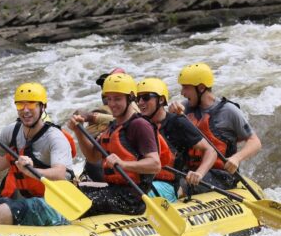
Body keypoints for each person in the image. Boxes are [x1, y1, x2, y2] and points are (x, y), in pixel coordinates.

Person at [0, 82, 73, 226]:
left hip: (54, 204)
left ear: (42, 107)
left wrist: (31, 171)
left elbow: (59, 174)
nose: (25, 110)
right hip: (26, 200)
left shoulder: (54, 137)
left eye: (31, 105)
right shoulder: (12, 131)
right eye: (20, 105)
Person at [68, 73, 161, 216]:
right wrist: (78, 131)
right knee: (70, 194)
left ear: (130, 97)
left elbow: (155, 164)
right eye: (108, 99)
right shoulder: (113, 126)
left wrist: (123, 164)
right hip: (114, 190)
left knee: (79, 204)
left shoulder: (140, 125)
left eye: (117, 99)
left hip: (132, 199)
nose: (111, 104)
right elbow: (93, 157)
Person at [170, 62, 262, 191]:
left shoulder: (229, 111)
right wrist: (170, 115)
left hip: (221, 175)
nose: (182, 93)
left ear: (201, 88)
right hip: (190, 171)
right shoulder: (184, 108)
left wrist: (236, 158)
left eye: (186, 87)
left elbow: (255, 142)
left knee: (180, 188)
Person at [136, 77, 217, 202]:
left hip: (167, 186)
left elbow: (210, 150)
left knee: (135, 196)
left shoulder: (177, 122)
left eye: (146, 97)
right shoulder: (138, 124)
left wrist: (199, 173)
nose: (140, 102)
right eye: (138, 98)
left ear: (161, 99)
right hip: (141, 182)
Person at [74, 68, 139, 182]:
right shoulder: (111, 110)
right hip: (99, 160)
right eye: (104, 86)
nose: (106, 90)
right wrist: (78, 130)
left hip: (121, 175)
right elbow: (92, 156)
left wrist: (93, 117)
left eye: (116, 95)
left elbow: (132, 119)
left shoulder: (132, 110)